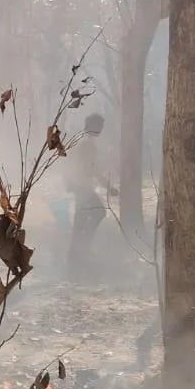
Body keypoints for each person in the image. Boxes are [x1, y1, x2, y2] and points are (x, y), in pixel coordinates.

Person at [65, 112, 110, 276]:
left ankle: (77, 256)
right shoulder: (87, 143)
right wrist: (107, 186)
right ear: (93, 126)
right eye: (100, 126)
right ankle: (80, 253)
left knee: (81, 221)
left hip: (80, 185)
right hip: (82, 187)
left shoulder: (82, 140)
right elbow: (91, 168)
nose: (102, 129)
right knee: (98, 213)